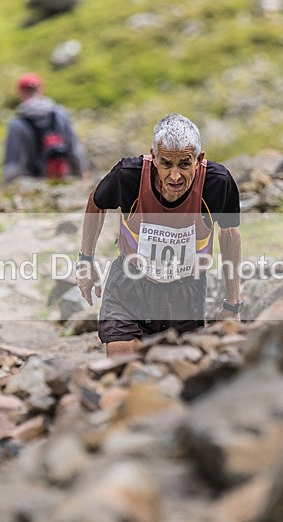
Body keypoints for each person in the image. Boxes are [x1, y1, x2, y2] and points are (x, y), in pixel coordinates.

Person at [76, 113, 242, 357]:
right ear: (153, 157)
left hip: (185, 292)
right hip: (129, 285)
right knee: (123, 361)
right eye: (166, 164)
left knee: (176, 368)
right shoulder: (129, 175)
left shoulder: (217, 183)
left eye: (185, 164)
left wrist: (232, 303)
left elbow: (229, 235)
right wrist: (86, 260)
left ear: (199, 159)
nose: (175, 176)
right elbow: (97, 201)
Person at [2, 72, 86, 181]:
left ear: (20, 93)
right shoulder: (60, 114)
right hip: (63, 179)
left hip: (34, 185)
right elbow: (74, 150)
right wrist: (80, 176)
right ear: (40, 90)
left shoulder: (17, 123)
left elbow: (13, 165)